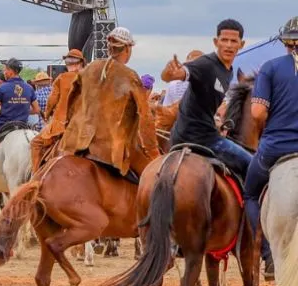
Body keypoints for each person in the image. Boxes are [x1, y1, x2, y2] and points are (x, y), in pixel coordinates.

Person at [62, 27, 158, 178]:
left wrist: (68, 126)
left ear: (108, 48)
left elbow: (72, 100)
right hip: (110, 150)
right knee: (154, 180)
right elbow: (145, 119)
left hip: (76, 142)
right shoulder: (130, 77)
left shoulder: (88, 69)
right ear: (127, 49)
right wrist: (154, 154)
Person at [243, 16, 298, 279]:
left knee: (250, 193)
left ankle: (267, 254)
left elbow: (257, 113)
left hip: (277, 148)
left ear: (287, 42)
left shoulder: (271, 68)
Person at [162, 19, 251, 180]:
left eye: (233, 41)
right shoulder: (206, 64)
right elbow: (175, 75)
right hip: (203, 139)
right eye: (224, 40)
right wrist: (170, 73)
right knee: (253, 164)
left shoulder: (228, 72)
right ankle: (251, 204)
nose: (229, 45)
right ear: (216, 42)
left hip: (181, 135)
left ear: (241, 44)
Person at [0, 58, 40, 178]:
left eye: (5, 69)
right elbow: (37, 110)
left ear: (11, 71)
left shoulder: (2, 88)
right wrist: (23, 110)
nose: (4, 71)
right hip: (22, 125)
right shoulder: (29, 88)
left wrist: (7, 109)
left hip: (3, 124)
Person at [30, 49, 85, 174]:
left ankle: (36, 176)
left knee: (35, 144)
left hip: (62, 126)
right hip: (84, 127)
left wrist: (47, 114)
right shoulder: (90, 78)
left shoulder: (62, 78)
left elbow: (52, 101)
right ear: (81, 63)